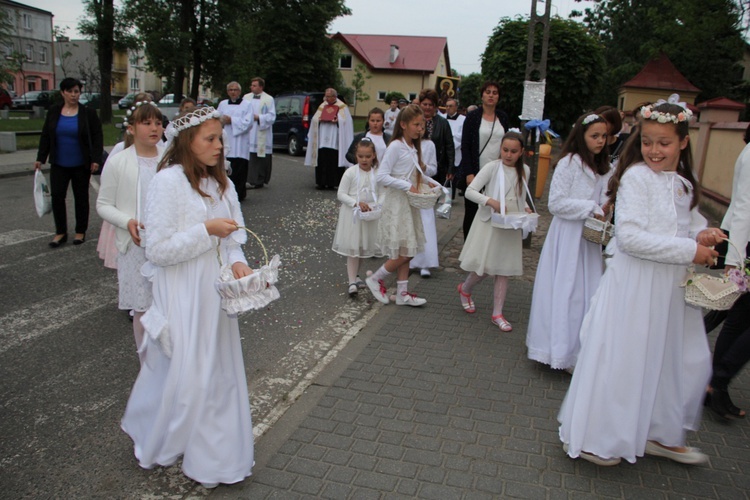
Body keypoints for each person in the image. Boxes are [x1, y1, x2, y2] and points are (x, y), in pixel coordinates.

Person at [558, 98, 723, 466]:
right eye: (647, 141)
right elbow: (630, 239)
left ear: (683, 141)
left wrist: (704, 236)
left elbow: (690, 224)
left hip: (669, 287)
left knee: (678, 360)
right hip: (635, 284)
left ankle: (659, 431)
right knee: (627, 360)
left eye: (663, 142)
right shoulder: (635, 178)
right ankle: (599, 436)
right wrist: (688, 251)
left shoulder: (681, 183)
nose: (653, 150)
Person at [121, 107, 254, 488]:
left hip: (214, 292)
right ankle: (163, 435)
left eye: (220, 139)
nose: (218, 146)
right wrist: (205, 230)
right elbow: (157, 250)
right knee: (190, 376)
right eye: (209, 139)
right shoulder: (168, 182)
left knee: (218, 375)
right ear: (187, 142)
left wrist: (239, 263)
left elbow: (233, 237)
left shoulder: (220, 182)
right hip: (183, 291)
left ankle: (216, 458)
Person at [525, 113, 612, 371]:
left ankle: (579, 350)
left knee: (588, 292)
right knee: (566, 291)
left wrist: (605, 207)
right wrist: (590, 206)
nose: (600, 141)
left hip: (590, 238)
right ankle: (557, 349)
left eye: (603, 136)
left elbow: (602, 200)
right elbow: (556, 203)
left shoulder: (602, 166)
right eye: (594, 136)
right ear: (581, 136)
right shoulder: (570, 163)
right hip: (568, 236)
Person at [96, 101, 165, 361]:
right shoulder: (119, 162)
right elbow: (103, 204)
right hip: (135, 245)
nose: (154, 128)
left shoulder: (170, 158)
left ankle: (169, 357)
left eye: (158, 123)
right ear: (132, 129)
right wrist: (127, 221)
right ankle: (147, 362)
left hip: (166, 241)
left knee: (167, 302)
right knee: (142, 307)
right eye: (146, 123)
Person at [457, 130, 531, 331]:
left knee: (503, 269)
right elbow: (471, 191)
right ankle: (465, 289)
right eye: (505, 150)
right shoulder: (492, 167)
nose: (508, 155)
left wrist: (524, 208)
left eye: (513, 151)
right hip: (490, 223)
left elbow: (520, 196)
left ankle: (497, 313)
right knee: (485, 267)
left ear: (521, 151)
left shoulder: (524, 170)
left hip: (510, 224)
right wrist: (490, 201)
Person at [365, 104, 432, 306]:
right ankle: (376, 278)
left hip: (409, 203)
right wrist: (406, 185)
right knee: (406, 252)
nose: (420, 128)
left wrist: (426, 178)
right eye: (416, 124)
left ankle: (402, 292)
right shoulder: (395, 146)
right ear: (403, 124)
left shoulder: (412, 147)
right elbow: (382, 176)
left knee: (407, 247)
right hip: (397, 204)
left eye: (422, 125)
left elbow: (410, 173)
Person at [704, 125, 750, 420]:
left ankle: (714, 384)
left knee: (737, 316)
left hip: (742, 244)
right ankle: (716, 381)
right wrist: (735, 260)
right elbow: (745, 207)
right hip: (744, 246)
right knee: (736, 316)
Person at [35, 77, 103, 247]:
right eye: (70, 91)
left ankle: (80, 231)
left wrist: (95, 159)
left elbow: (97, 137)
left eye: (76, 91)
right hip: (59, 163)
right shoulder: (54, 111)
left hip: (81, 163)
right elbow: (46, 135)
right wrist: (40, 158)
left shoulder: (87, 113)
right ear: (63, 93)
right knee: (57, 197)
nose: (74, 95)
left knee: (81, 198)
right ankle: (60, 232)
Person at [457, 81, 510, 239]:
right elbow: (465, 146)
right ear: (482, 95)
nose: (491, 95)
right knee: (472, 212)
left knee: (492, 210)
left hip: (497, 171)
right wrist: (469, 172)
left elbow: (506, 142)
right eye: (488, 92)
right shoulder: (473, 117)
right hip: (477, 169)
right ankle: (469, 247)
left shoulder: (503, 117)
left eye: (495, 92)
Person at [333, 138, 384, 296]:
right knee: (354, 248)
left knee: (362, 247)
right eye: (361, 156)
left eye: (368, 156)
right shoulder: (351, 172)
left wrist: (376, 206)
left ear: (374, 155)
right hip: (353, 216)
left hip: (369, 215)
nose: (364, 160)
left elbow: (383, 192)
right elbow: (341, 194)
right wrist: (356, 203)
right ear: (356, 156)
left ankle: (355, 275)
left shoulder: (377, 173)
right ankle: (351, 282)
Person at [304, 88, 354, 189]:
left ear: (334, 96)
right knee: (322, 159)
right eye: (326, 96)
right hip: (322, 138)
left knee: (333, 160)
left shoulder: (342, 107)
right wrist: (318, 120)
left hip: (335, 139)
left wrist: (338, 120)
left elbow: (347, 122)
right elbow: (314, 119)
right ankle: (321, 182)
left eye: (328, 96)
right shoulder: (323, 105)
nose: (326, 98)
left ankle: (332, 183)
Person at [217, 82, 254, 201]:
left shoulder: (247, 104)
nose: (233, 92)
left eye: (235, 90)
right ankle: (227, 193)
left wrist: (232, 120)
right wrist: (222, 121)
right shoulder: (222, 104)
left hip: (240, 143)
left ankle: (240, 193)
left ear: (239, 91)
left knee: (240, 170)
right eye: (230, 90)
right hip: (227, 140)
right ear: (227, 92)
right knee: (226, 169)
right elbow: (216, 119)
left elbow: (248, 122)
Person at [409, 138, 439, 277]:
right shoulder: (402, 144)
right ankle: (408, 261)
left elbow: (433, 169)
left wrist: (424, 167)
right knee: (409, 226)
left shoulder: (429, 144)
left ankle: (425, 263)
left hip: (423, 190)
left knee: (425, 225)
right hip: (408, 188)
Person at [244, 77, 276, 190]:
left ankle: (260, 180)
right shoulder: (246, 98)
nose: (251, 87)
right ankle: (248, 179)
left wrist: (259, 117)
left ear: (261, 87)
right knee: (249, 156)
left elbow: (272, 116)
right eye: (251, 85)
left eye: (254, 85)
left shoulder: (269, 99)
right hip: (249, 131)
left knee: (261, 157)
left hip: (261, 130)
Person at [419, 88, 454, 186]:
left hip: (438, 167)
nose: (427, 107)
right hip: (418, 167)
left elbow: (449, 146)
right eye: (425, 104)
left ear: (435, 106)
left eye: (431, 105)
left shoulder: (443, 123)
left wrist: (450, 168)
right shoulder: (414, 121)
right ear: (420, 104)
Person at [444, 98, 465, 198]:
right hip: (443, 151)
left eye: (450, 106)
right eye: (447, 106)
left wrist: (450, 139)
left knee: (453, 175)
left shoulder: (463, 119)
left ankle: (450, 196)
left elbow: (461, 136)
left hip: (456, 151)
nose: (448, 108)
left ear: (456, 107)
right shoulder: (442, 118)